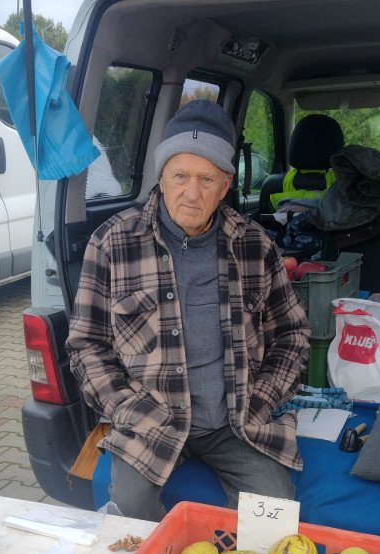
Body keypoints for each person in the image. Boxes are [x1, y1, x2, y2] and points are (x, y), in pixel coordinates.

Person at [66, 100, 311, 521]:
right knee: (129, 515)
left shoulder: (255, 245)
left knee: (275, 513)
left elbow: (293, 334)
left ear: (226, 184)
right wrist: (126, 408)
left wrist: (263, 399)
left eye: (206, 179)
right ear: (161, 177)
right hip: (149, 422)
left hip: (234, 423)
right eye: (180, 176)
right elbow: (86, 344)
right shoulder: (112, 243)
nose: (192, 193)